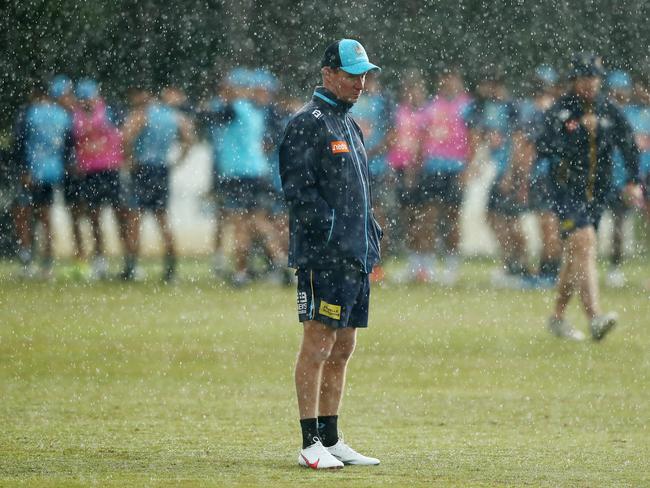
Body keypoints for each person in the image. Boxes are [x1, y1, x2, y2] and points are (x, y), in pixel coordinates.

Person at [279, 39, 383, 469]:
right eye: (352, 74)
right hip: (326, 260)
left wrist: (370, 237)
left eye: (364, 74)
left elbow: (360, 195)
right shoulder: (309, 123)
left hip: (355, 259)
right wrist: (327, 240)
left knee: (344, 347)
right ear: (328, 74)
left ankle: (332, 437)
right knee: (317, 345)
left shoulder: (350, 125)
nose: (360, 83)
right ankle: (309, 444)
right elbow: (299, 193)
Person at [538, 54, 642, 341]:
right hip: (565, 192)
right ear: (574, 80)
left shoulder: (609, 110)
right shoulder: (561, 110)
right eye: (584, 77)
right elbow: (544, 146)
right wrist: (578, 135)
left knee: (577, 254)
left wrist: (634, 181)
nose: (590, 83)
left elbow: (629, 144)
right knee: (584, 242)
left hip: (597, 193)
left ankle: (557, 317)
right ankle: (595, 317)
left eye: (594, 78)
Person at [122, 88, 194, 282]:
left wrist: (129, 158)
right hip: (162, 169)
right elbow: (189, 138)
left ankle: (130, 268)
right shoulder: (173, 116)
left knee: (134, 221)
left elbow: (127, 136)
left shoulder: (143, 114)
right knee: (163, 221)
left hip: (143, 169)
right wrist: (178, 160)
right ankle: (171, 270)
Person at [418, 69, 472, 285]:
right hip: (432, 168)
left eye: (451, 77)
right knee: (429, 217)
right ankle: (428, 266)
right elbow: (422, 135)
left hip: (455, 168)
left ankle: (451, 267)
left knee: (452, 219)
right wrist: (420, 162)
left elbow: (473, 137)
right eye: (443, 77)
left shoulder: (467, 106)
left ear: (458, 80)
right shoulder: (431, 106)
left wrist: (467, 168)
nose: (446, 81)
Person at [14, 82, 73, 278]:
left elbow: (20, 142)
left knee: (23, 216)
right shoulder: (62, 115)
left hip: (31, 172)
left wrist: (24, 170)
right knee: (45, 218)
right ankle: (47, 264)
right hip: (52, 172)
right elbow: (68, 146)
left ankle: (26, 262)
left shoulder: (29, 113)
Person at [71, 78, 125, 280]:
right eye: (83, 98)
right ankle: (100, 261)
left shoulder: (110, 111)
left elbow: (123, 134)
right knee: (94, 218)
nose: (86, 102)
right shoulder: (75, 116)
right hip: (89, 172)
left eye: (89, 97)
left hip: (110, 169)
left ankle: (127, 261)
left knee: (119, 216)